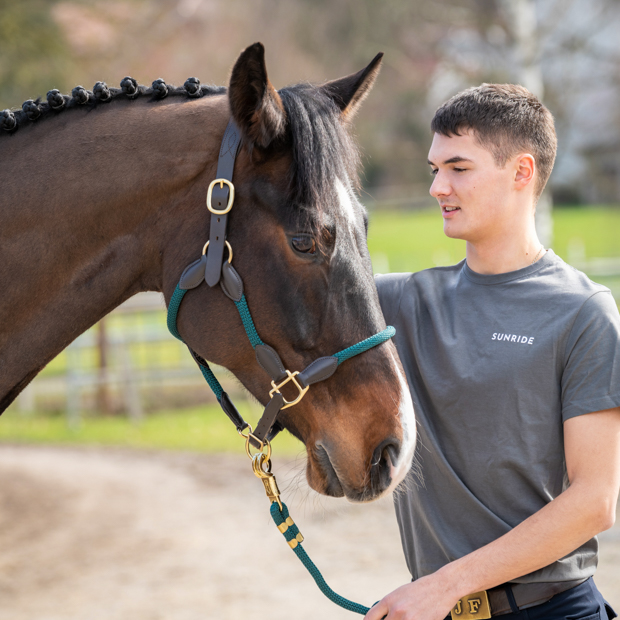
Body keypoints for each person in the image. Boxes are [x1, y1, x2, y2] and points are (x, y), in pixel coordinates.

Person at [367, 84, 620, 620]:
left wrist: (443, 587)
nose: (438, 186)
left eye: (458, 167)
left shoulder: (583, 312)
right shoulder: (397, 302)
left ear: (522, 173)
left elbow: (595, 501)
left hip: (552, 611)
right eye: (434, 168)